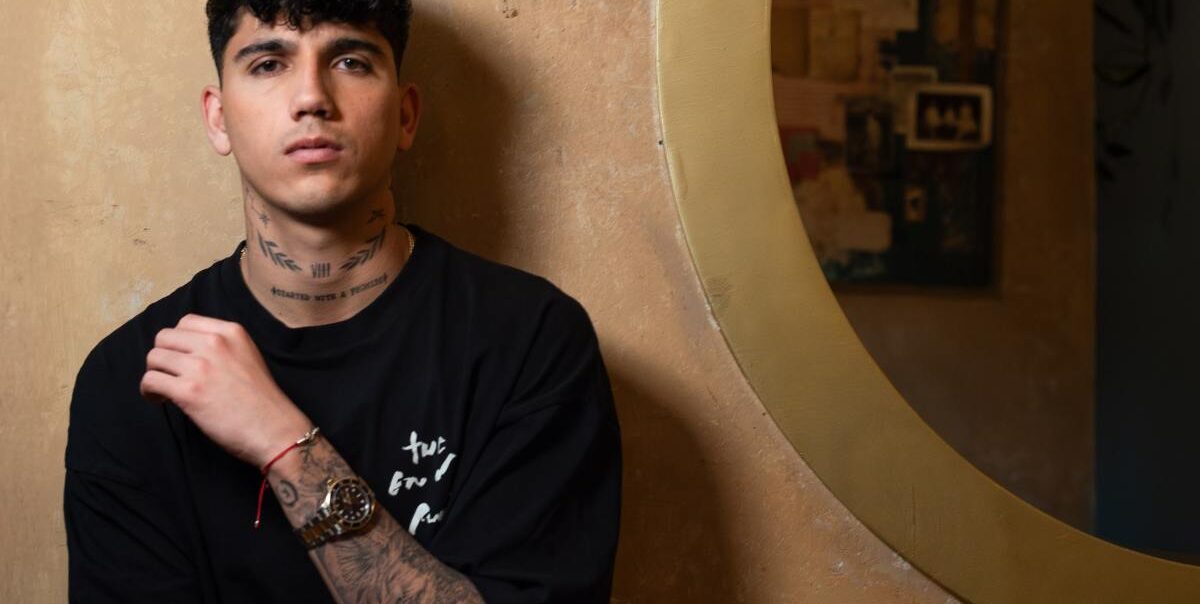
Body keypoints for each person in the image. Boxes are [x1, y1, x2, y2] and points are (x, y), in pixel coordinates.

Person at [61, 1, 622, 602]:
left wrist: (284, 443)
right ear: (218, 119)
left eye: (350, 61)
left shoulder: (531, 343)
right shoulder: (136, 378)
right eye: (269, 63)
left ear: (405, 115)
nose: (311, 98)